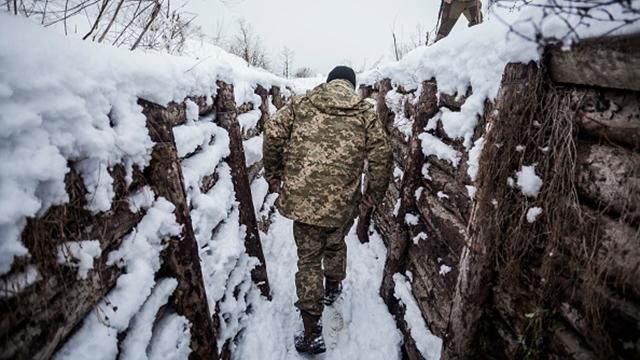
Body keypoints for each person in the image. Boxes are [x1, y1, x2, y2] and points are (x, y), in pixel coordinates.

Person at [263, 65, 392, 354]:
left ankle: (311, 332)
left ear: (330, 80)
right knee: (335, 243)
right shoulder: (365, 113)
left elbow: (272, 132)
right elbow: (382, 155)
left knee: (308, 260)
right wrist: (372, 195)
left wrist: (273, 172)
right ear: (351, 84)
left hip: (302, 202)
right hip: (343, 204)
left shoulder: (302, 103)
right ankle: (333, 286)